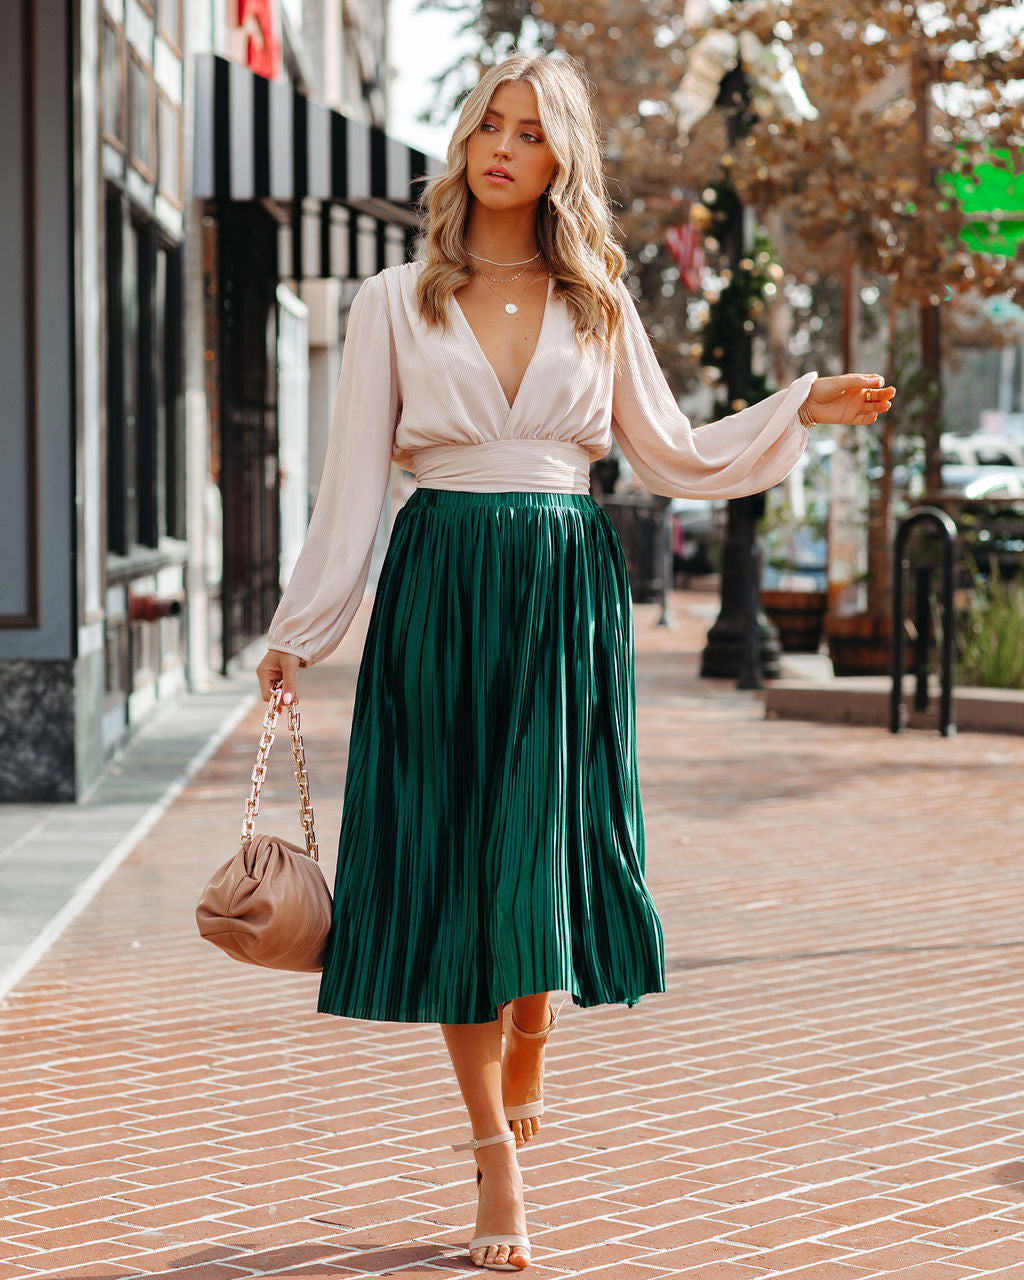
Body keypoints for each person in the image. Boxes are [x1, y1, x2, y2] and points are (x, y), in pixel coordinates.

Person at [256, 53, 894, 1274]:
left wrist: (795, 405)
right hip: (439, 585)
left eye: (529, 132)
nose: (501, 146)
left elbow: (665, 449)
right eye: (487, 125)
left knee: (537, 854)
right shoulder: (394, 296)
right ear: (466, 142)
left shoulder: (597, 292)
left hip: (560, 592)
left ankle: (537, 1017)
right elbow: (349, 489)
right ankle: (492, 1153)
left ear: (560, 160)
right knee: (450, 863)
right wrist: (305, 626)